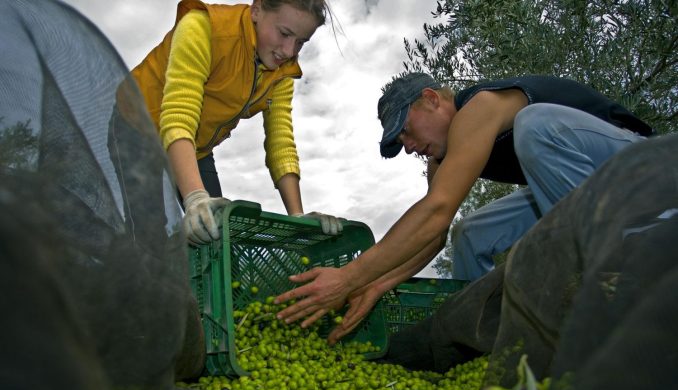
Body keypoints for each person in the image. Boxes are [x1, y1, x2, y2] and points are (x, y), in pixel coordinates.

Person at [274, 72, 654, 342]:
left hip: (642, 168)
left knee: (535, 126)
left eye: (406, 130)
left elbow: (437, 208)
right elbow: (435, 228)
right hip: (583, 190)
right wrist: (376, 284)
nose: (408, 146)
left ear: (431, 99)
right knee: (469, 233)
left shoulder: (481, 105)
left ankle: (616, 280)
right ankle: (487, 336)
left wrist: (347, 277)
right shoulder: (442, 158)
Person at [132, 0, 342, 245]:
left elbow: (280, 142)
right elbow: (179, 113)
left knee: (216, 234)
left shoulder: (283, 73)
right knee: (148, 236)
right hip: (135, 129)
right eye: (285, 33)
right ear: (257, 10)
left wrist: (297, 218)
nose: (289, 51)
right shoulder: (203, 27)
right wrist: (195, 198)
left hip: (197, 147)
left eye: (301, 42)